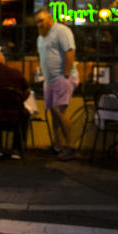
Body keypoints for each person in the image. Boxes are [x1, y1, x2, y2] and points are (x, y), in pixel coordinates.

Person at [35, 8, 78, 160]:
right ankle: (57, 145)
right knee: (53, 114)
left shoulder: (61, 30)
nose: (39, 24)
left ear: (50, 18)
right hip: (49, 80)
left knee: (59, 111)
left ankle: (70, 146)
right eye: (37, 22)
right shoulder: (42, 37)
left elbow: (70, 51)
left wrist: (65, 75)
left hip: (62, 78)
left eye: (42, 20)